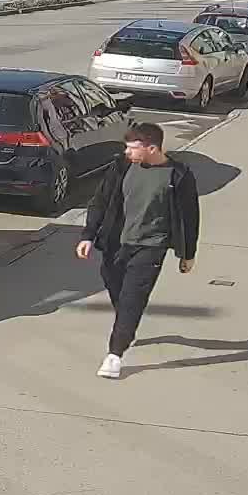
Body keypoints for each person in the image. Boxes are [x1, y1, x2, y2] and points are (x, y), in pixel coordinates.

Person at [76, 122, 201, 379]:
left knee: (133, 298)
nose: (127, 152)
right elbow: (100, 200)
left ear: (152, 148)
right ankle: (126, 328)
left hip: (151, 246)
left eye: (132, 148)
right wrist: (88, 235)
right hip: (117, 241)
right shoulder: (121, 167)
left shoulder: (178, 175)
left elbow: (190, 217)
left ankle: (115, 355)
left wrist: (188, 254)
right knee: (114, 285)